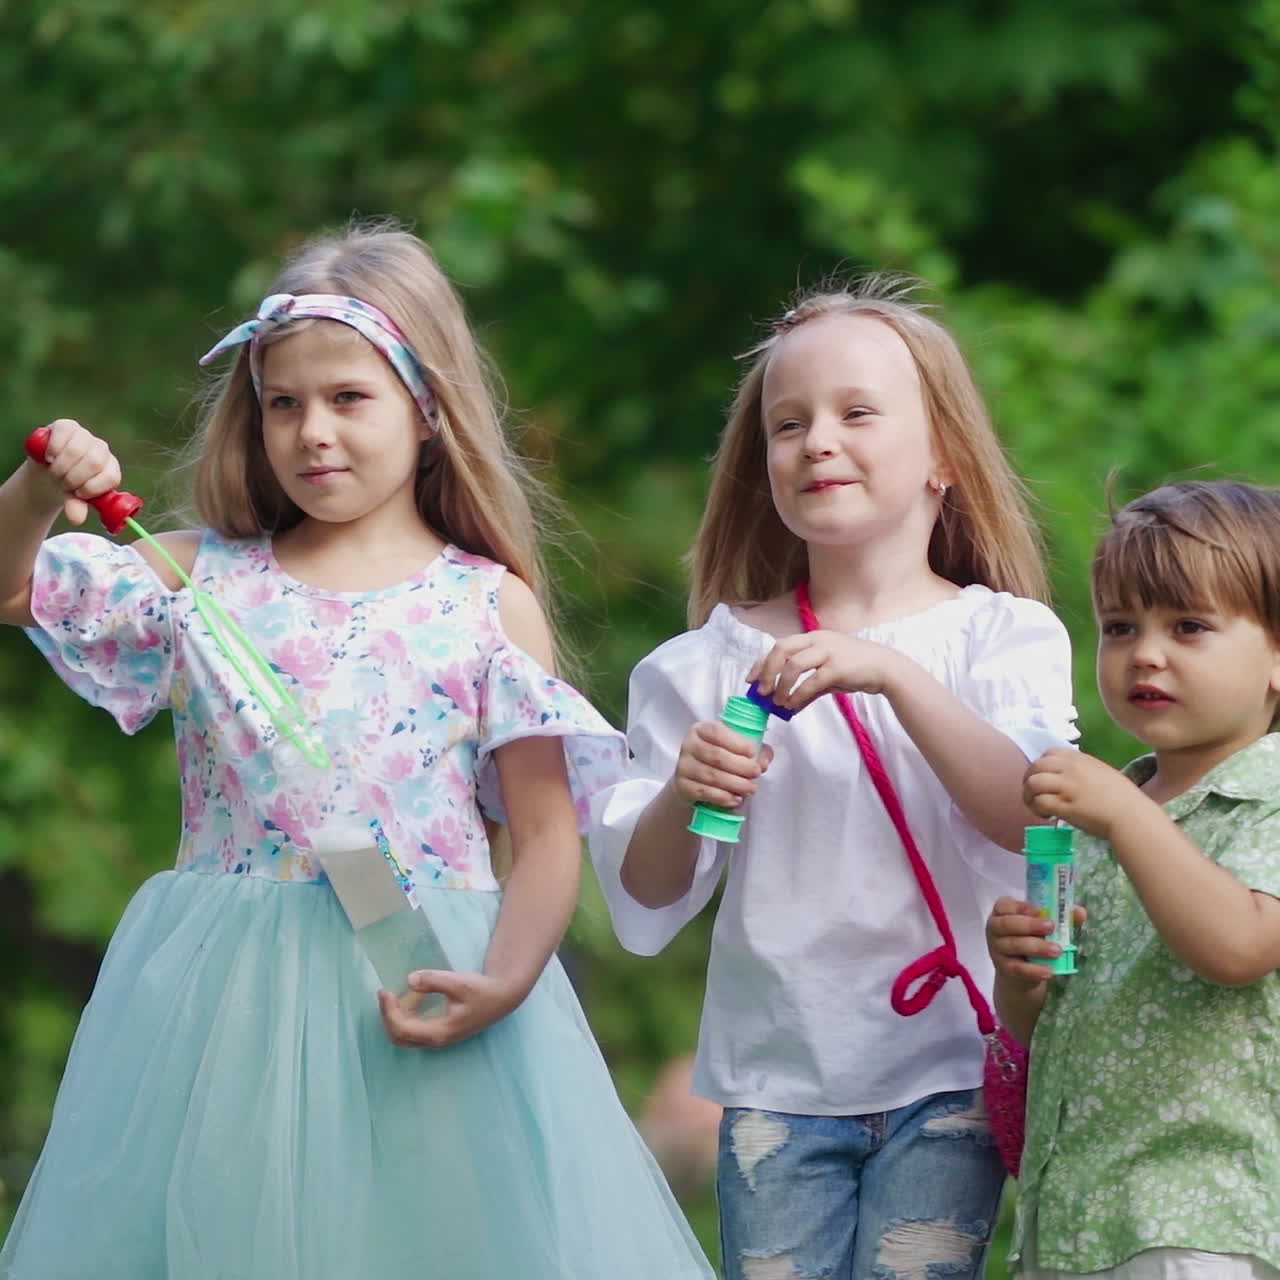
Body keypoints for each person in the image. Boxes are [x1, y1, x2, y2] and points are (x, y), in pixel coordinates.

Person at [0, 223, 715, 1279]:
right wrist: (35, 491)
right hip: (228, 1004)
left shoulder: (481, 605)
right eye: (282, 402)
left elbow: (546, 835)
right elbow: (13, 589)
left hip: (424, 972)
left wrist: (506, 978)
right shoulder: (200, 574)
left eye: (348, 398)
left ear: (426, 412)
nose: (311, 431)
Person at [589, 278, 1077, 1279]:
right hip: (777, 1079)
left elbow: (1025, 813)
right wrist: (689, 789)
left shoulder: (999, 636)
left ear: (942, 453)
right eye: (786, 422)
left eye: (856, 412)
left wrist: (889, 673)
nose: (816, 440)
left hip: (949, 1069)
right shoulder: (699, 666)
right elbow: (644, 890)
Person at [988, 480, 1280, 1280]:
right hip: (1080, 1221)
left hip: (1206, 1220)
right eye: (1121, 627)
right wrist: (1020, 977)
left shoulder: (1265, 797)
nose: (1146, 652)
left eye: (1189, 626)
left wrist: (1123, 817)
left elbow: (1241, 945)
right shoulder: (1114, 808)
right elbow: (1046, 1026)